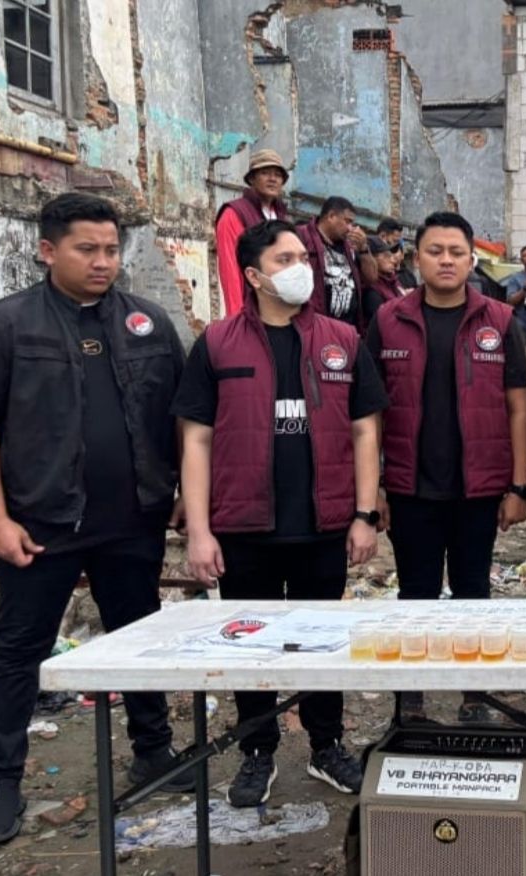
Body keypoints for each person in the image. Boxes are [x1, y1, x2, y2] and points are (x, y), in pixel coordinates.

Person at [0, 193, 191, 847]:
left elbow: (181, 415)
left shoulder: (148, 322)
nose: (102, 262)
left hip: (133, 517)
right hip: (40, 522)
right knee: (18, 651)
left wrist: (181, 494)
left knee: (138, 642)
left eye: (112, 249)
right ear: (48, 248)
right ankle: (2, 781)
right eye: (87, 249)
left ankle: (154, 749)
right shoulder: (5, 326)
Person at [175, 219, 386, 805]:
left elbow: (367, 430)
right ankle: (256, 750)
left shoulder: (341, 338)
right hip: (245, 527)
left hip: (322, 525)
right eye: (284, 258)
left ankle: (326, 745)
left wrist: (364, 514)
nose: (301, 268)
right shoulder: (217, 343)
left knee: (324, 642)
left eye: (304, 256)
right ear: (252, 274)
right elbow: (195, 439)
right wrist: (199, 531)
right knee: (251, 647)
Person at [366, 212, 526, 721]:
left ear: (471, 260)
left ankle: (472, 694)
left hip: (477, 488)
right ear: (415, 258)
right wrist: (372, 486)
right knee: (414, 592)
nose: (445, 260)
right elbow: (368, 411)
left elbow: (519, 407)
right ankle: (410, 701)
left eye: (455, 252)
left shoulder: (499, 321)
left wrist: (520, 487)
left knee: (472, 591)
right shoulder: (388, 319)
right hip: (410, 487)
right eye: (434, 251)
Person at [215, 149, 290, 317]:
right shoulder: (234, 213)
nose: (273, 179)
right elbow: (230, 269)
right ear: (252, 179)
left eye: (278, 175)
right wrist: (237, 317)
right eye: (265, 173)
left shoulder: (282, 217)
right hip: (251, 308)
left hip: (279, 310)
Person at [296, 197, 374, 332]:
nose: (351, 228)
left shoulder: (349, 247)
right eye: (347, 221)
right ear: (331, 216)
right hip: (315, 328)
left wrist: (364, 249)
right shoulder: (301, 236)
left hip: (347, 329)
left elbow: (371, 278)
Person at [364, 236, 404, 313]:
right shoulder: (372, 291)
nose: (393, 260)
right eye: (386, 256)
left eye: (391, 255)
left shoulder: (392, 281)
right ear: (372, 258)